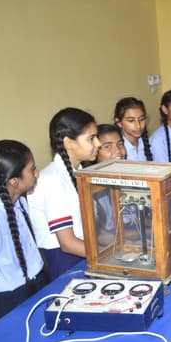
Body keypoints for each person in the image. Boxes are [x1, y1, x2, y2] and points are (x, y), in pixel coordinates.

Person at [28, 108, 101, 281]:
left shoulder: (79, 173)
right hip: (65, 260)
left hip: (86, 250)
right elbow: (68, 243)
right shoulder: (52, 180)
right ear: (68, 142)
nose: (98, 143)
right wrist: (109, 255)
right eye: (91, 138)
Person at [0, 140, 46, 327]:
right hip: (10, 301)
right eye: (32, 169)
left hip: (37, 285)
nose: (37, 173)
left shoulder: (22, 204)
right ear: (14, 181)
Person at [114, 97, 153, 161]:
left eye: (141, 119)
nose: (138, 126)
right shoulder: (118, 151)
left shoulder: (150, 144)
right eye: (131, 120)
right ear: (119, 122)